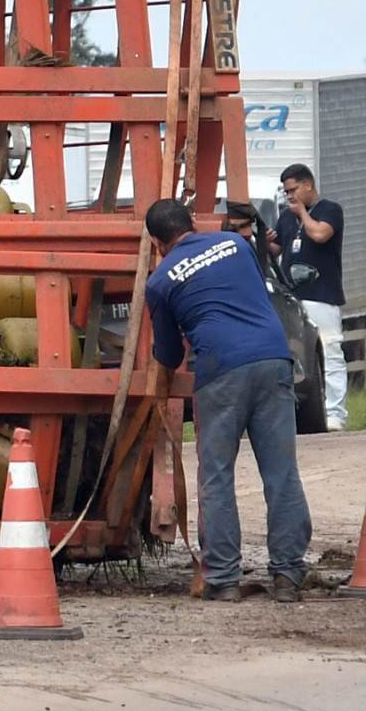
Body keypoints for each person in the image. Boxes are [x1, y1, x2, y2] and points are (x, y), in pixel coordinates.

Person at [139, 196, 311, 602]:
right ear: (192, 224)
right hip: (274, 360)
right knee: (281, 473)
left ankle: (224, 579)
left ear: (157, 242)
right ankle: (287, 576)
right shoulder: (235, 244)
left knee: (217, 476)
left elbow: (168, 355)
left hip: (221, 373)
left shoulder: (160, 281)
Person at [273, 162, 348, 432]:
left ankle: (335, 412)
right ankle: (296, 412)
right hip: (291, 297)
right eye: (286, 192)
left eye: (293, 190)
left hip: (321, 295)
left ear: (308, 185)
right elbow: (276, 247)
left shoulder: (329, 210)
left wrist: (302, 213)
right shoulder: (285, 217)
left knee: (329, 351)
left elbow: (319, 234)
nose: (290, 196)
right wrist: (265, 239)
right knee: (292, 353)